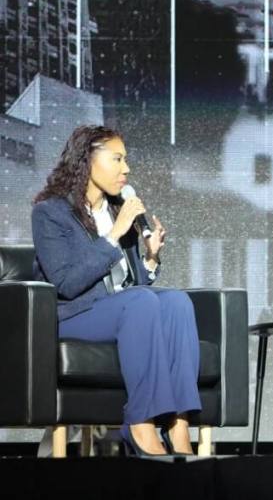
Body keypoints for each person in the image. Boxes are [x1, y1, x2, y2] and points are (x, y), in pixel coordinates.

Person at [31, 125, 201, 456]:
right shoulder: (50, 212)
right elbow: (66, 283)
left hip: (119, 310)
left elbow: (132, 288)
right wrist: (114, 235)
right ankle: (140, 424)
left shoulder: (116, 210)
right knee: (139, 303)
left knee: (177, 303)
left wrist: (150, 258)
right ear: (87, 159)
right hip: (73, 314)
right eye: (117, 159)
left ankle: (178, 426)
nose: (127, 169)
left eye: (126, 160)